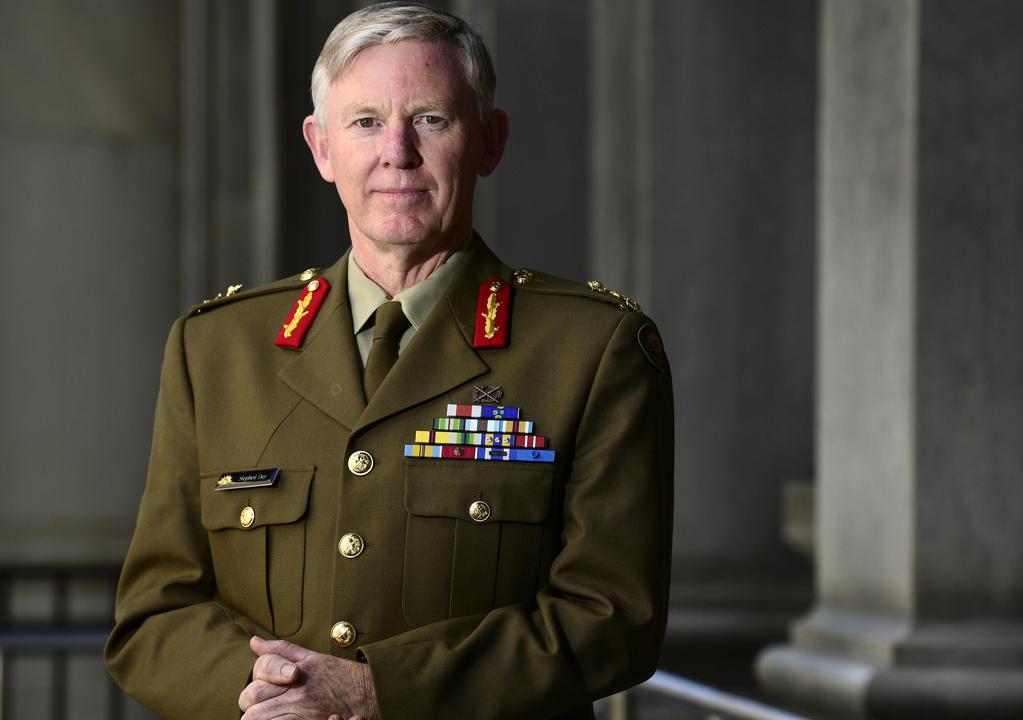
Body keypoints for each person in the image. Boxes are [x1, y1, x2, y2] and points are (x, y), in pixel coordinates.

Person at [104, 3, 673, 719]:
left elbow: (614, 616)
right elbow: (154, 618)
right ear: (320, 148)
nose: (396, 152)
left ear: (490, 142)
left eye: (431, 120)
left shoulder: (591, 350)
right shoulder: (216, 349)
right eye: (366, 122)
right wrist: (270, 696)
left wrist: (382, 694)